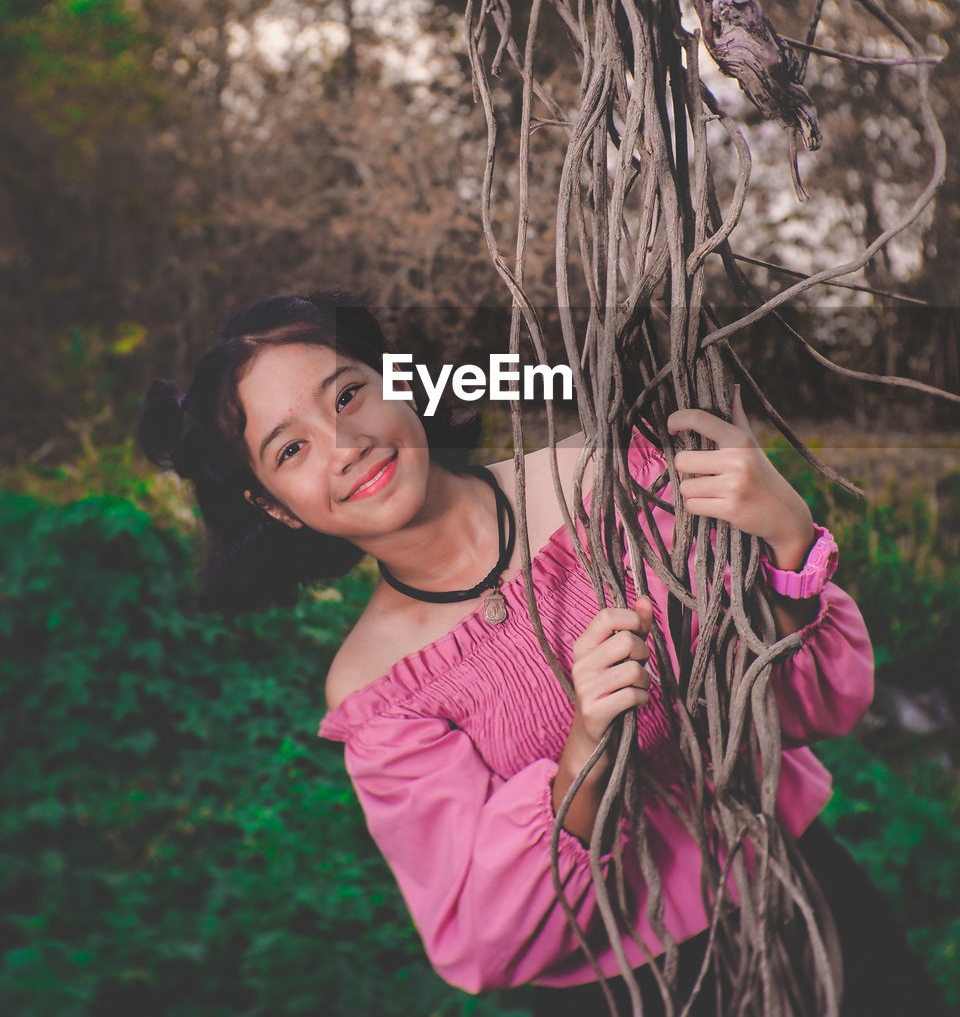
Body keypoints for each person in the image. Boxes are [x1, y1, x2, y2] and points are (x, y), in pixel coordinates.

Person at [139, 289, 950, 1016]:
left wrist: (788, 535)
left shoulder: (611, 479)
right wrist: (586, 758)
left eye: (348, 394)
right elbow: (485, 945)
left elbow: (823, 702)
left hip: (809, 902)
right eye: (292, 449)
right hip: (620, 997)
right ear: (273, 508)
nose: (345, 442)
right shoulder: (380, 687)